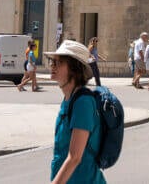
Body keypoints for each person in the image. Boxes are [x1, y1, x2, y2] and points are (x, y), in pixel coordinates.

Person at [45, 40, 106, 184]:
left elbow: (75, 157)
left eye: (58, 62)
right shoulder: (69, 99)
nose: (52, 66)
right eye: (52, 61)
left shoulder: (83, 102)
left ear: (73, 68)